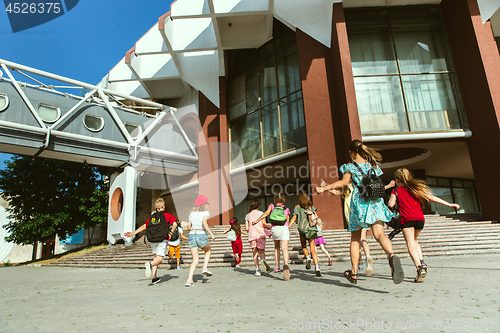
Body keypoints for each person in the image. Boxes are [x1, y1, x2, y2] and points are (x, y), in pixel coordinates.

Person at [316, 139, 404, 285]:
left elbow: (344, 183)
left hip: (360, 203)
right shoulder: (373, 166)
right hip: (376, 202)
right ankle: (391, 255)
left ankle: (354, 273)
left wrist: (323, 188)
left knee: (355, 239)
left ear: (351, 152)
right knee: (379, 234)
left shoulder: (349, 166)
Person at [388, 168, 460, 283]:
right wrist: (449, 204)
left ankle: (419, 268)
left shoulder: (396, 191)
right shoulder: (415, 188)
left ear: (397, 179)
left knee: (410, 243)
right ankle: (422, 262)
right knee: (415, 240)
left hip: (407, 219)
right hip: (420, 219)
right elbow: (431, 197)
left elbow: (391, 204)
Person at [124, 198, 177, 285]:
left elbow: (144, 227)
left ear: (156, 208)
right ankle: (150, 264)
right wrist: (170, 233)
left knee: (155, 257)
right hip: (162, 239)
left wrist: (132, 234)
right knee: (159, 259)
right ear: (163, 206)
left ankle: (154, 277)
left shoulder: (151, 217)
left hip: (152, 240)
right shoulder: (167, 215)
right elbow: (175, 224)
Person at [253, 192, 291, 281]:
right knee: (284, 248)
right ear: (284, 200)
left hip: (275, 228)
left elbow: (266, 213)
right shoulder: (286, 208)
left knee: (276, 247)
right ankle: (286, 264)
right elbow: (287, 221)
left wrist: (257, 221)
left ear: (274, 200)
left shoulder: (272, 206)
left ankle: (277, 266)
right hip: (284, 228)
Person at [184, 195, 216, 287]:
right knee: (208, 250)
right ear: (205, 204)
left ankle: (189, 279)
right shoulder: (206, 212)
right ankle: (205, 268)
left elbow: (189, 227)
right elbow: (204, 222)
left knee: (195, 259)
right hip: (201, 234)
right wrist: (211, 234)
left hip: (192, 235)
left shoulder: (192, 213)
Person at [289, 191, 321, 276]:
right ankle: (317, 267)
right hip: (312, 229)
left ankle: (307, 258)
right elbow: (316, 217)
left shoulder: (297, 207)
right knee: (313, 249)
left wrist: (288, 226)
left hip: (303, 230)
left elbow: (294, 218)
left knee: (303, 246)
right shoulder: (311, 207)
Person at [245, 199, 271, 276]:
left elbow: (246, 228)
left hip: (252, 235)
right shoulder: (261, 213)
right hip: (260, 234)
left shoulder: (248, 215)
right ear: (258, 206)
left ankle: (257, 269)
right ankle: (263, 259)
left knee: (255, 252)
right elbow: (264, 224)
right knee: (262, 251)